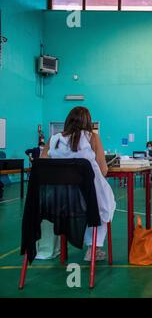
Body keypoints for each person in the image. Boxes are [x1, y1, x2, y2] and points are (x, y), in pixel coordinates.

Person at [41, 106, 116, 261]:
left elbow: (42, 167)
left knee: (91, 205)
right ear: (88, 122)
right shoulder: (92, 137)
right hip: (88, 196)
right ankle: (93, 247)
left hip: (60, 199)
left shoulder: (53, 139)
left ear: (68, 120)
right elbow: (103, 170)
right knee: (105, 206)